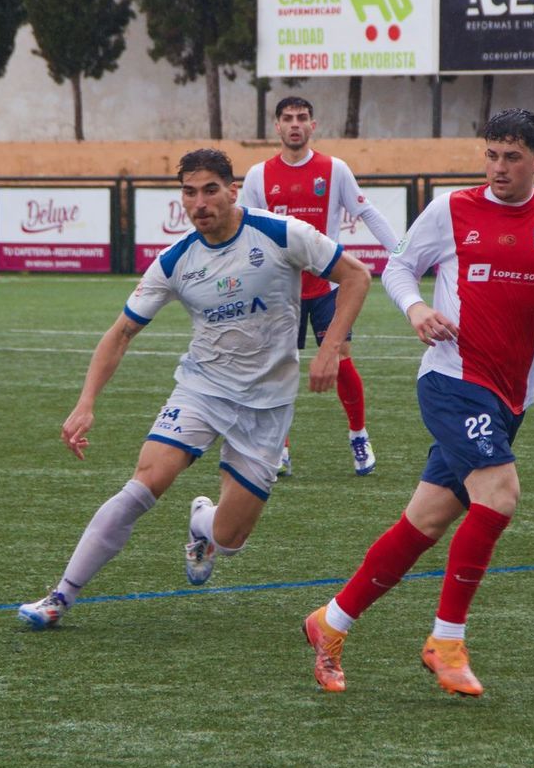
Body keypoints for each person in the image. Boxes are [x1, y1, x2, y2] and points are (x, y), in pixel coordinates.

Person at [301, 109, 534, 697]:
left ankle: (331, 622)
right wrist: (417, 309)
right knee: (500, 494)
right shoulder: (451, 209)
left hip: (510, 397)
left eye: (513, 158)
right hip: (451, 382)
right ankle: (445, 641)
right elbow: (399, 267)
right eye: (492, 155)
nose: (499, 168)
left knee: (425, 521)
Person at [19, 148, 370, 629]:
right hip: (202, 390)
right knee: (144, 484)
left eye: (209, 190)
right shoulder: (175, 260)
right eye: (189, 192)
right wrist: (86, 404)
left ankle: (202, 522)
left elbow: (355, 275)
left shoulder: (280, 233)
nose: (199, 202)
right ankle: (60, 596)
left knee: (230, 540)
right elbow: (121, 333)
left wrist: (331, 348)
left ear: (231, 190)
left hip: (267, 405)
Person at [240, 96, 398, 477]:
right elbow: (245, 229)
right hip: (280, 291)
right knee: (278, 367)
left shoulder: (335, 169)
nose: (295, 124)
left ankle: (358, 435)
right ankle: (280, 446)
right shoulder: (258, 176)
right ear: (277, 127)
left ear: (313, 126)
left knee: (341, 359)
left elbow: (367, 212)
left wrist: (401, 253)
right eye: (288, 118)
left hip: (328, 287)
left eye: (303, 118)